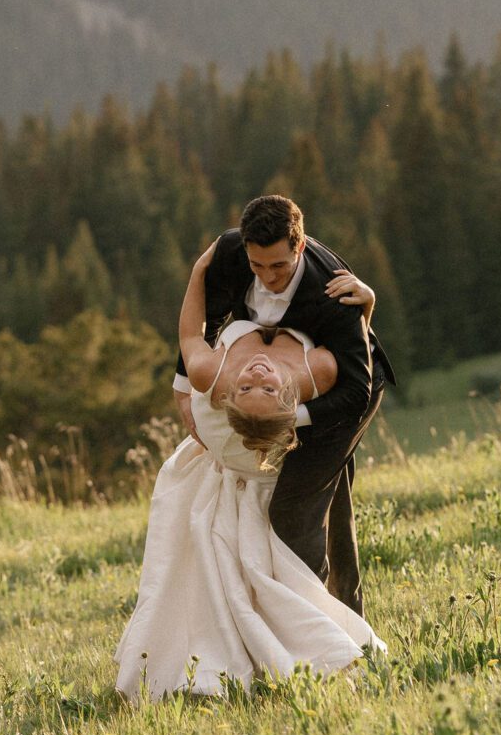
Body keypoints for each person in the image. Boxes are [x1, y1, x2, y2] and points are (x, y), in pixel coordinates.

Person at [113, 316, 384, 703]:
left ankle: (331, 626)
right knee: (283, 566)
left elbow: (192, 338)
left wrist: (187, 384)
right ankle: (325, 637)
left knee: (313, 547)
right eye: (249, 386)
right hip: (271, 466)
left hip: (294, 460)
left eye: (262, 387)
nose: (256, 376)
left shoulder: (217, 398)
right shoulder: (280, 384)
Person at [173, 194, 396, 614]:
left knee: (293, 506)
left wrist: (290, 418)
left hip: (347, 394)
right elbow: (205, 315)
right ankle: (349, 616)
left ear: (300, 245)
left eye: (279, 266)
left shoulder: (334, 291)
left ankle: (316, 629)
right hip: (279, 381)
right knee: (329, 494)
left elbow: (356, 390)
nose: (268, 277)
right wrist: (185, 382)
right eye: (258, 266)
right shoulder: (233, 254)